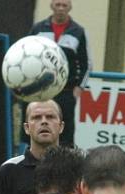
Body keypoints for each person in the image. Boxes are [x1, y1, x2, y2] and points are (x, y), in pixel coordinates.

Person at [28, 0, 91, 146]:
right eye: (58, 5)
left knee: (64, 133)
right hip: (41, 91)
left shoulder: (78, 31)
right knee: (37, 128)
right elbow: (28, 55)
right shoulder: (38, 28)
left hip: (66, 92)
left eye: (64, 5)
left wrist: (79, 88)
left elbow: (86, 64)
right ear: (52, 6)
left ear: (70, 7)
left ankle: (65, 165)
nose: (61, 9)